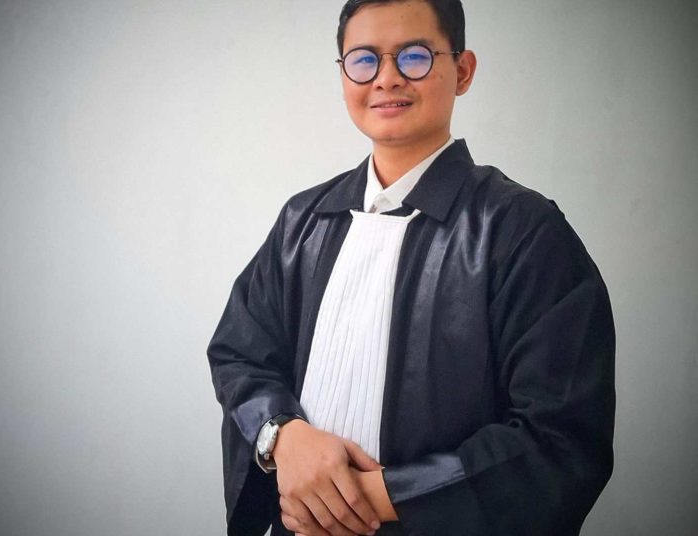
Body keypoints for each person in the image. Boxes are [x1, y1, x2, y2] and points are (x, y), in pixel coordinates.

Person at [207, 0, 616, 534]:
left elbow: (560, 438)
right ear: (343, 75)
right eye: (364, 59)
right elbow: (239, 353)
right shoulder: (303, 221)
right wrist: (282, 435)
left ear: (462, 71)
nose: (386, 78)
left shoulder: (522, 231)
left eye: (414, 56)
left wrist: (367, 497)